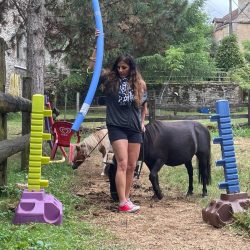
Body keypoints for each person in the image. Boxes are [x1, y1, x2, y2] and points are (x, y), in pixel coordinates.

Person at [87, 35, 147, 213]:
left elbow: (144, 107)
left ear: (131, 68)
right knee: (122, 162)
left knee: (131, 166)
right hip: (117, 126)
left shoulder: (140, 84)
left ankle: (126, 198)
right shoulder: (109, 79)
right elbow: (92, 69)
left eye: (124, 67)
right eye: (119, 67)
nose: (121, 70)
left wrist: (143, 123)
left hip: (135, 129)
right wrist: (97, 46)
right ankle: (122, 202)